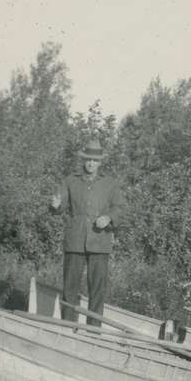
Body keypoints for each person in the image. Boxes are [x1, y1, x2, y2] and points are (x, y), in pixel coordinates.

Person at [50, 138, 125, 325]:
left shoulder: (110, 184)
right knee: (69, 289)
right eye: (88, 160)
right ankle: (67, 328)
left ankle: (93, 333)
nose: (91, 163)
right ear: (83, 160)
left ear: (100, 162)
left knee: (97, 291)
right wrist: (55, 206)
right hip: (75, 242)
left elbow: (120, 208)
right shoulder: (70, 181)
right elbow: (59, 204)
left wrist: (108, 218)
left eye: (95, 160)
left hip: (100, 244)